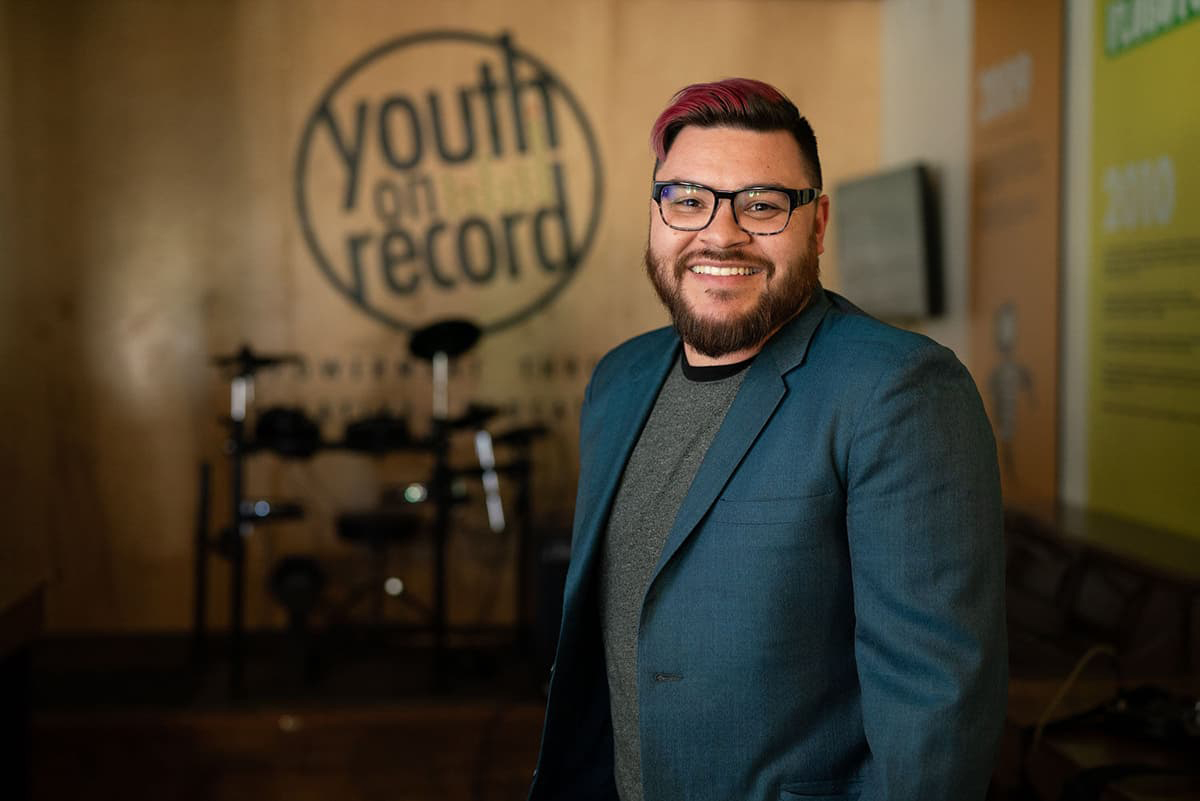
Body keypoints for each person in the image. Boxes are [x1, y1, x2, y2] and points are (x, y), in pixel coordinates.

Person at [528, 78, 1007, 801]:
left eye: (762, 204)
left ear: (816, 225)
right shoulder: (617, 381)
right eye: (688, 200)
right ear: (655, 216)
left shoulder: (899, 390)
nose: (720, 234)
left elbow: (935, 706)